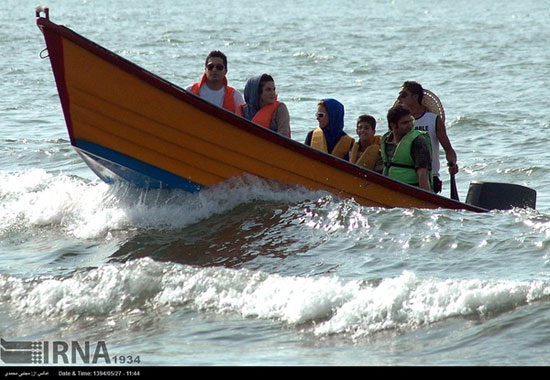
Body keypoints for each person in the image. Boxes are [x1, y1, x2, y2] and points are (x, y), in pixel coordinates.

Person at [396, 81, 458, 193]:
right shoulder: (399, 123)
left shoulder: (434, 120)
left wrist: (452, 164)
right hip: (405, 176)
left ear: (415, 97)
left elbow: (448, 149)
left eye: (403, 95)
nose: (399, 98)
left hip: (430, 176)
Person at [381, 104, 432, 191]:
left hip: (413, 190)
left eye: (410, 121)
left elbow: (423, 174)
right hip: (389, 189)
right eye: (404, 123)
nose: (410, 125)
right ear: (393, 125)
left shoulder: (418, 141)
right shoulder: (385, 141)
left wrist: (427, 201)